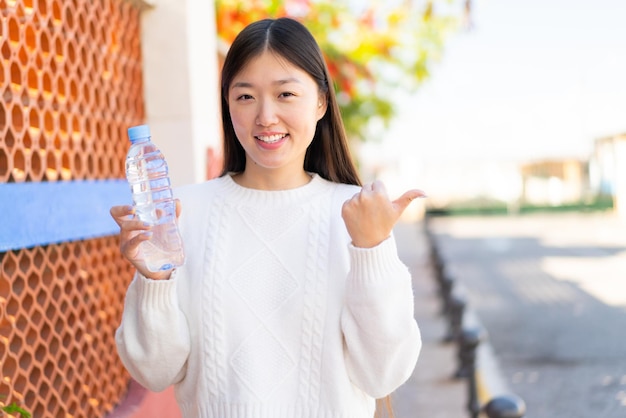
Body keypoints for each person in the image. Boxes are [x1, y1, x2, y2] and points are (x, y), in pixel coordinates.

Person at [110, 17, 424, 418]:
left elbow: (382, 375)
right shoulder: (181, 214)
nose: (266, 117)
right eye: (245, 97)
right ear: (227, 104)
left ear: (322, 103)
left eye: (286, 94)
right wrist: (154, 279)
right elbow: (156, 372)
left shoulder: (357, 216)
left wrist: (372, 250)